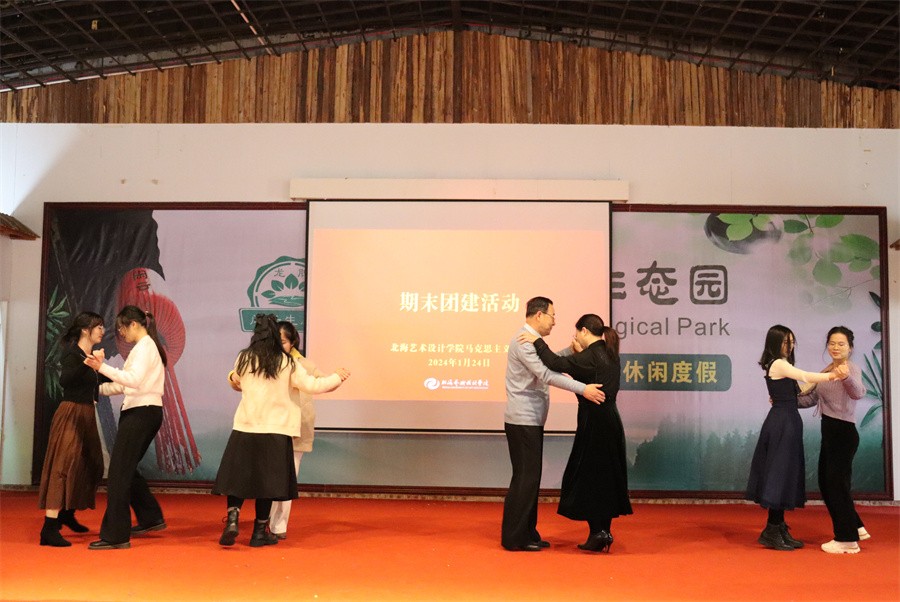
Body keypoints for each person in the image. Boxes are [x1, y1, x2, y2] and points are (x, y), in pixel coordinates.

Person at [214, 314, 350, 547]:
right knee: (267, 484)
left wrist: (236, 378)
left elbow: (236, 380)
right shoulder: (287, 363)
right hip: (275, 431)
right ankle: (259, 532)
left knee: (238, 478)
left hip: (244, 428)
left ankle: (233, 518)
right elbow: (313, 385)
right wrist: (338, 377)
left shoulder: (244, 358)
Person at [519, 314, 632, 553]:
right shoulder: (609, 353)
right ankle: (603, 532)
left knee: (590, 477)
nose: (575, 337)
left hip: (594, 423)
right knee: (605, 477)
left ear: (584, 332)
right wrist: (574, 352)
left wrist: (536, 340)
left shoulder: (589, 357)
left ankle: (598, 532)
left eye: (576, 333)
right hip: (610, 421)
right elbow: (578, 370)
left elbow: (554, 363)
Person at [501, 296, 605, 552]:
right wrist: (583, 389)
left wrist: (569, 351)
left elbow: (549, 361)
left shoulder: (531, 340)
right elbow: (546, 373)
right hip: (523, 420)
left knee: (530, 479)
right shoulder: (524, 341)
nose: (554, 322)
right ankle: (515, 538)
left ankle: (527, 532)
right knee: (525, 479)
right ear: (539, 315)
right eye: (552, 316)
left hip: (530, 419)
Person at [746, 325, 849, 551]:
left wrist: (828, 373)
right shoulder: (778, 364)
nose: (790, 346)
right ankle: (772, 529)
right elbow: (804, 376)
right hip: (782, 423)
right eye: (785, 342)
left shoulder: (783, 364)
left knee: (785, 474)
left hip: (788, 421)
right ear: (775, 342)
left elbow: (803, 388)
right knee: (780, 473)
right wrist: (833, 375)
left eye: (792, 342)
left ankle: (778, 526)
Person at [83, 305, 169, 550]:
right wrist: (95, 389)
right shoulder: (144, 347)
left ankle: (116, 535)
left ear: (134, 324)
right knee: (126, 470)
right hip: (142, 411)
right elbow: (125, 385)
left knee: (119, 473)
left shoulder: (144, 347)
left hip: (141, 413)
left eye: (121, 328)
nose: (120, 333)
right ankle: (150, 517)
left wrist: (101, 367)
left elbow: (131, 380)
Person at [38, 311, 108, 547]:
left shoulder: (89, 357)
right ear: (86, 330)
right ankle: (49, 527)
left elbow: (99, 382)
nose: (102, 331)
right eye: (98, 326)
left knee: (91, 464)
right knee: (61, 467)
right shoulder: (73, 354)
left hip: (86, 414)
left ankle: (67, 513)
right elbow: (65, 381)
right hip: (71, 413)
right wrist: (89, 364)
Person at [798, 326, 869, 554]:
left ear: (850, 348)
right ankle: (855, 526)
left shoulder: (851, 369)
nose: (835, 347)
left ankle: (847, 539)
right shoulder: (827, 370)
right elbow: (812, 399)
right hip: (830, 432)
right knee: (828, 484)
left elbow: (858, 392)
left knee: (836, 485)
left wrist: (845, 376)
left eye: (841, 344)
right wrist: (785, 400)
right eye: (832, 343)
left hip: (843, 433)